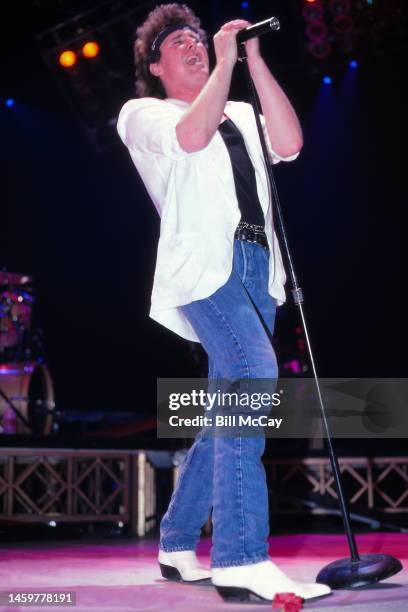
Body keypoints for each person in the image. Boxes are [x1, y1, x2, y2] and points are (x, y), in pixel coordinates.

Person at [117, 3, 331, 604]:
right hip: (203, 269)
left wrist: (253, 59)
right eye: (177, 42)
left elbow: (288, 142)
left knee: (225, 410)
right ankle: (240, 556)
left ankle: (178, 541)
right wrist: (224, 61)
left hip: (258, 269)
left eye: (198, 38)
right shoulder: (143, 113)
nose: (193, 45)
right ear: (155, 66)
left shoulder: (238, 110)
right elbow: (190, 136)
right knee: (253, 374)